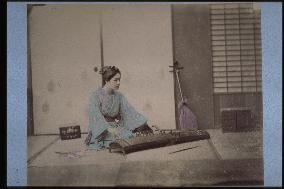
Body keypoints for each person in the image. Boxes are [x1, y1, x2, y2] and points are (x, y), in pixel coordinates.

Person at [85, 66, 153, 150]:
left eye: (119, 80)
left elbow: (129, 112)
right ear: (107, 80)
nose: (118, 83)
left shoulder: (119, 96)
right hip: (102, 130)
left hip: (115, 127)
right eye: (115, 80)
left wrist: (144, 125)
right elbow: (94, 114)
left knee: (130, 136)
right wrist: (108, 128)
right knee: (123, 139)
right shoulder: (95, 95)